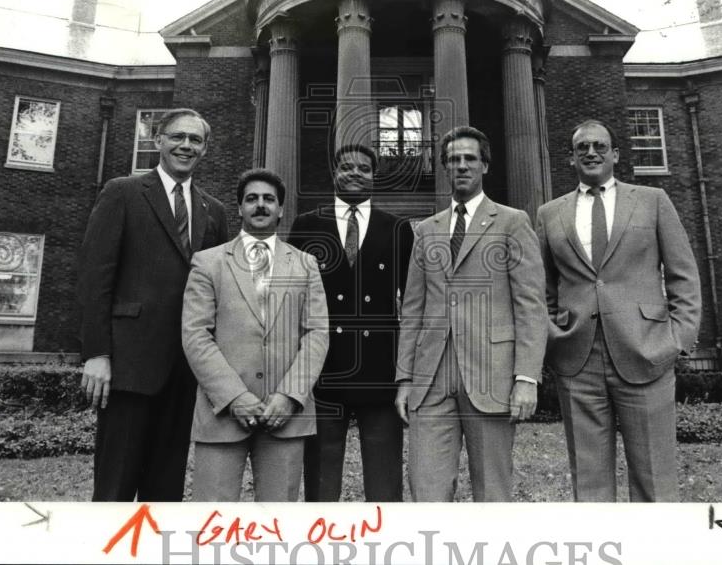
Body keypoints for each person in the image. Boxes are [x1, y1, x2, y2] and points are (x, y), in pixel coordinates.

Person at [535, 119, 701, 502]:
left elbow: (683, 276)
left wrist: (677, 339)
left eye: (599, 146)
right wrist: (552, 337)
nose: (591, 152)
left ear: (615, 154)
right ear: (571, 158)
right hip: (577, 359)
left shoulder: (652, 200)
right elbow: (539, 288)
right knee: (589, 482)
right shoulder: (549, 214)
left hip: (647, 351)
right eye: (582, 148)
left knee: (655, 479)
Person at [78, 107, 229, 501]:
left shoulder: (214, 212)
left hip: (184, 370)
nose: (186, 145)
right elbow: (95, 278)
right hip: (129, 366)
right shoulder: (122, 192)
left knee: (165, 491)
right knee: (115, 488)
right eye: (177, 137)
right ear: (158, 141)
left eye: (195, 140)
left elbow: (218, 293)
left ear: (205, 149)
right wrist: (97, 353)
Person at [394, 126, 547, 501]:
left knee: (492, 493)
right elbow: (413, 310)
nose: (461, 166)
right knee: (426, 490)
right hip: (431, 377)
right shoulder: (426, 231)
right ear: (445, 167)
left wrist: (526, 377)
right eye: (453, 160)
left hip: (491, 373)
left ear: (484, 166)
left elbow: (530, 305)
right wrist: (404, 377)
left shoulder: (513, 222)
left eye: (469, 159)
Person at [181, 168, 329, 501]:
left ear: (280, 209)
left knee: (277, 524)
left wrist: (289, 396)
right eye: (251, 199)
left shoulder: (305, 265)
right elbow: (195, 336)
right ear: (239, 208)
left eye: (268, 199)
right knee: (213, 524)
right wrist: (235, 397)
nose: (260, 206)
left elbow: (317, 334)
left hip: (286, 416)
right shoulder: (208, 263)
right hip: (221, 414)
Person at [289, 143, 415, 501]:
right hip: (324, 368)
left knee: (384, 478)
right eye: (347, 167)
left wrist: (407, 371)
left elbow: (413, 301)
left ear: (375, 176)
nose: (356, 173)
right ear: (335, 173)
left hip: (380, 369)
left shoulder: (397, 228)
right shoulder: (308, 224)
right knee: (321, 477)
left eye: (364, 168)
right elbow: (293, 300)